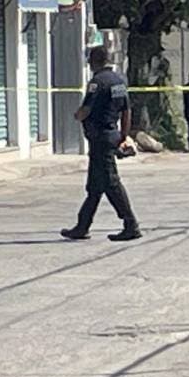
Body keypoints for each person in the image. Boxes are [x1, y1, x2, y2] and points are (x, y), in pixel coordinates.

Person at [61, 46, 141, 242]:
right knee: (95, 187)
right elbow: (126, 111)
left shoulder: (97, 82)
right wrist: (123, 136)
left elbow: (86, 109)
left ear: (94, 61)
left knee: (111, 183)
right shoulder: (119, 81)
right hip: (111, 135)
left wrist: (77, 116)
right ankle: (82, 226)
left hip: (100, 138)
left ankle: (131, 224)